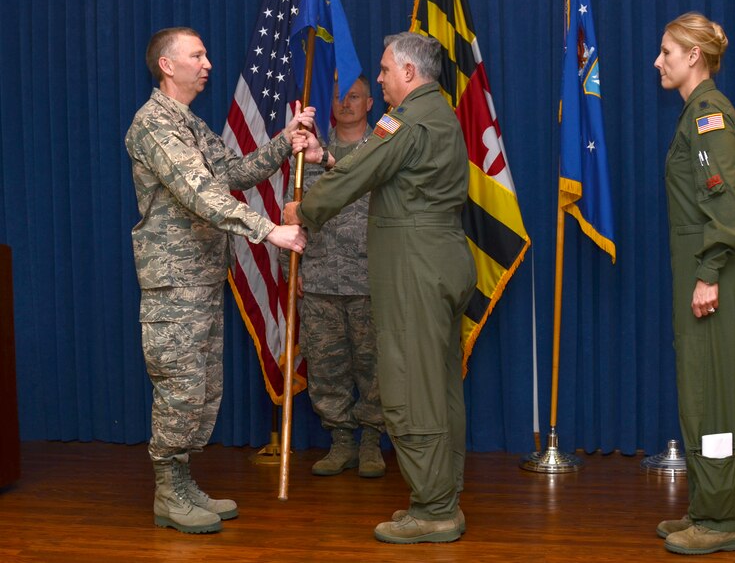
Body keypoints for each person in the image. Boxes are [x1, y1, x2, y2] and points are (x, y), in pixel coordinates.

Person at [284, 32, 476, 544]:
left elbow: (362, 172)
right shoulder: (436, 112)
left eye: (387, 71)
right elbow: (376, 165)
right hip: (442, 258)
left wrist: (301, 210)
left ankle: (434, 508)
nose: (383, 79)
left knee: (412, 387)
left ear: (409, 74)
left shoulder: (409, 118)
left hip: (415, 266)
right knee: (439, 385)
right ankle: (445, 490)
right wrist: (327, 159)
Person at [125, 27, 311, 534]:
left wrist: (284, 140)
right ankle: (168, 490)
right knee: (181, 387)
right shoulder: (154, 124)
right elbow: (200, 193)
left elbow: (230, 169)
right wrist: (270, 230)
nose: (207, 63)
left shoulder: (188, 123)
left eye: (207, 53)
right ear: (167, 65)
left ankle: (182, 482)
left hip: (203, 278)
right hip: (174, 283)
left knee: (202, 389)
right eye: (197, 55)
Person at [653, 13, 735, 555]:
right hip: (700, 271)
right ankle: (706, 505)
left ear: (694, 56)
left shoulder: (708, 116)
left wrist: (708, 275)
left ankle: (721, 520)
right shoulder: (695, 115)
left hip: (711, 274)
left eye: (666, 51)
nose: (658, 61)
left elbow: (728, 209)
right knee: (698, 393)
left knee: (710, 399)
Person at [284, 76, 386, 478]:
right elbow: (291, 213)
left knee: (375, 367)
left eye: (355, 96)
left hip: (369, 280)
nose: (346, 103)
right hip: (322, 278)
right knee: (326, 367)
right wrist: (291, 271)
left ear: (370, 103)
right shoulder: (305, 154)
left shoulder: (382, 147)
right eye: (340, 96)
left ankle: (371, 442)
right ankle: (341, 441)